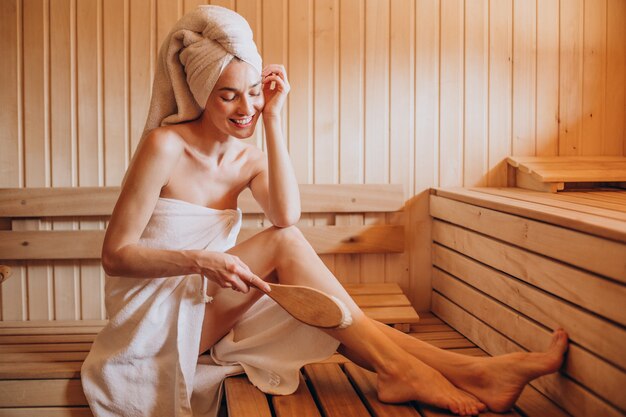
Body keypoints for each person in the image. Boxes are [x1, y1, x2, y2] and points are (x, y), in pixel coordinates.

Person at [81, 5, 568, 417]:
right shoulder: (164, 146)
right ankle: (407, 372)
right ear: (200, 94)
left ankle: (477, 371)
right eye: (228, 95)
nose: (245, 105)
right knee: (293, 257)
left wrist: (274, 121)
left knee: (327, 311)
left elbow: (286, 214)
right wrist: (200, 260)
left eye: (253, 90)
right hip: (157, 319)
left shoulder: (249, 154)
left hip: (211, 302)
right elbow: (115, 255)